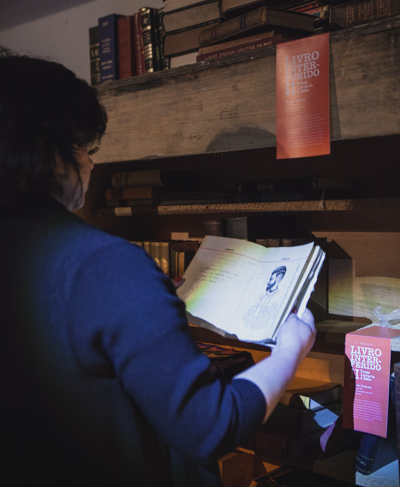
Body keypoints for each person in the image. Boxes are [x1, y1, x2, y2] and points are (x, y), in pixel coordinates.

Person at [0, 51, 316, 486]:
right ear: (45, 151)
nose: (91, 164)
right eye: (85, 149)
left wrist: (142, 303)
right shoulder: (106, 265)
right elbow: (209, 426)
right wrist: (291, 350)